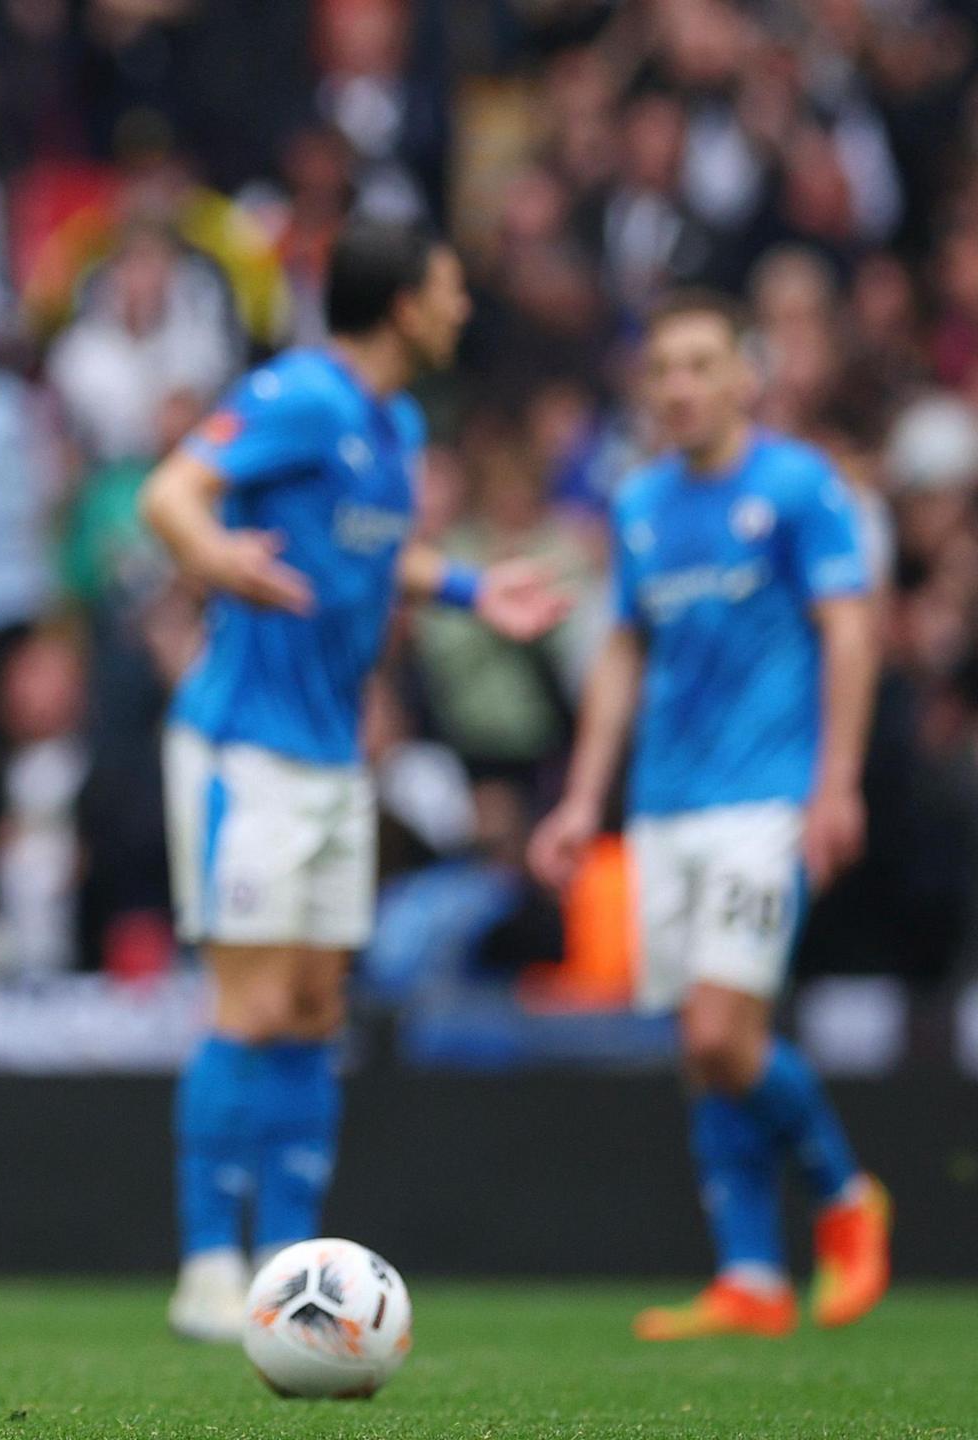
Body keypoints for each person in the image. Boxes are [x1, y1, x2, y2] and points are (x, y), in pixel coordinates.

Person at [138, 220, 568, 1342]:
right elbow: (169, 493)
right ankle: (203, 1266)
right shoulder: (302, 396)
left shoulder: (394, 420)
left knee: (319, 1008)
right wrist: (214, 556)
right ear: (401, 303)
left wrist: (474, 590)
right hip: (243, 745)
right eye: (447, 285)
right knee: (252, 1002)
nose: (462, 306)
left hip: (330, 756)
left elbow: (372, 555)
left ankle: (289, 1264)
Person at [529, 290, 891, 1341]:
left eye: (698, 365)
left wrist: (836, 782)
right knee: (704, 1050)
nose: (677, 387)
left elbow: (850, 634)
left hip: (765, 801)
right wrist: (585, 797)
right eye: (661, 371)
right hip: (664, 805)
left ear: (745, 375)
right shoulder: (640, 504)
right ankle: (749, 1278)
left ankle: (842, 1194)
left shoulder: (795, 486)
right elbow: (623, 650)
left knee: (717, 1030)